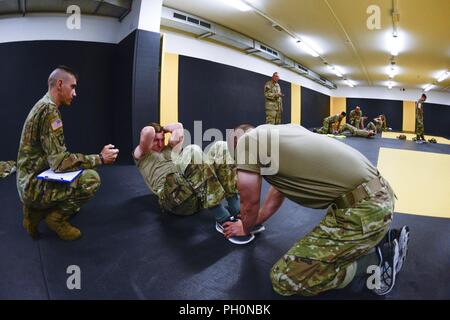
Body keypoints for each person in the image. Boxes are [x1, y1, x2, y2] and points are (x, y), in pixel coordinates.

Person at [224, 123, 409, 296]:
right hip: (380, 198)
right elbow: (278, 191)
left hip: (362, 212)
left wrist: (245, 227)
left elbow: (248, 202)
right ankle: (376, 240)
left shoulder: (245, 143)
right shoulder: (283, 131)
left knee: (284, 279)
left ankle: (376, 262)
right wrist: (257, 220)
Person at [16, 66, 119, 241]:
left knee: (74, 179)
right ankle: (55, 219)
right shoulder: (50, 112)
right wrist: (100, 158)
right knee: (91, 179)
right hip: (33, 187)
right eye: (73, 87)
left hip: (27, 180)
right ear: (60, 84)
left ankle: (33, 212)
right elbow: (60, 163)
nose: (75, 93)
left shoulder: (42, 104)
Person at [133, 122, 260, 245]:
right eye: (156, 140)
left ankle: (236, 209)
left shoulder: (170, 148)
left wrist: (162, 129)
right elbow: (147, 131)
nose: (160, 143)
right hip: (173, 200)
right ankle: (223, 218)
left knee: (221, 147)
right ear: (148, 141)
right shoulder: (143, 155)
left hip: (197, 193)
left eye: (162, 139)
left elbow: (179, 126)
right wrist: (160, 129)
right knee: (192, 151)